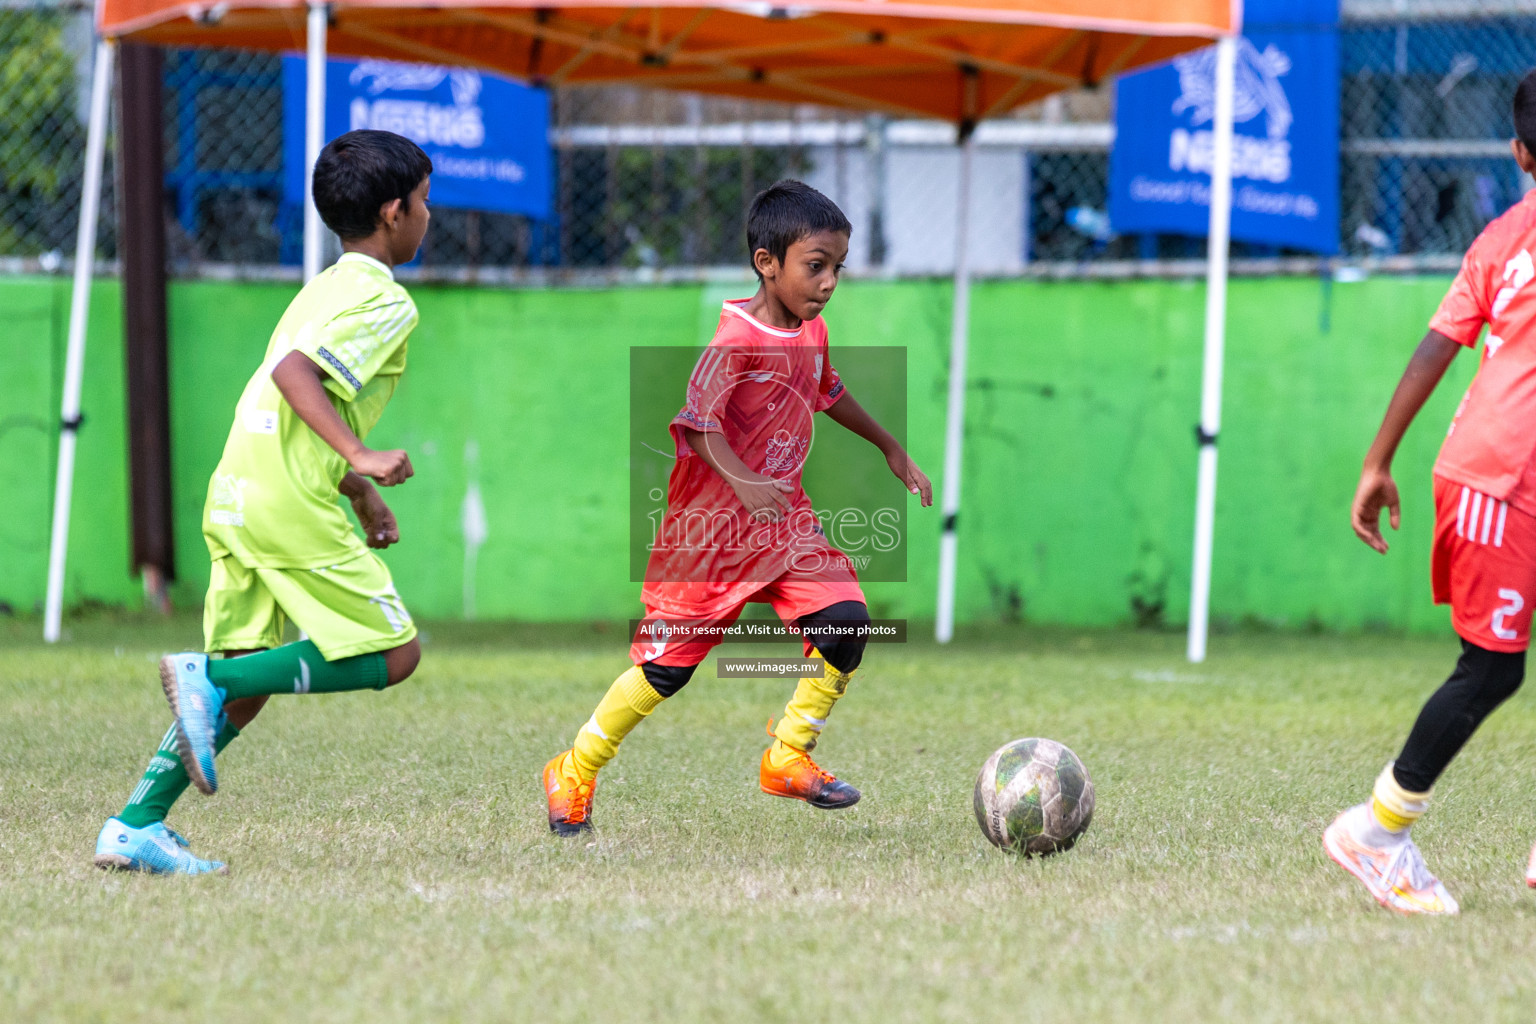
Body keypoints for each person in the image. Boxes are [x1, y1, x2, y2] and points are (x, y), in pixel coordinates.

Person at [542, 179, 933, 834]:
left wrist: (890, 446)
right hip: (710, 536)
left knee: (844, 622)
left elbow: (828, 391)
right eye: (817, 265)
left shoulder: (812, 331)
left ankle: (788, 755)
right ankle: (575, 768)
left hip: (784, 525)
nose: (830, 281)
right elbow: (696, 422)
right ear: (767, 263)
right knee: (664, 673)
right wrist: (743, 478)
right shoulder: (735, 338)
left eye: (838, 266)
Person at [94, 129, 432, 874]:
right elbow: (295, 377)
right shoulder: (385, 300)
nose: (426, 216)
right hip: (284, 500)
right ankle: (205, 676)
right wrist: (360, 456)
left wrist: (359, 492)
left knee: (245, 688)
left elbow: (289, 392)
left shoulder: (321, 287)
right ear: (392, 211)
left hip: (239, 487)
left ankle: (133, 825)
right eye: (425, 201)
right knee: (395, 652)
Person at [1323, 71, 1536, 916]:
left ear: (1519, 153)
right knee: (1490, 671)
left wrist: (1378, 462)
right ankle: (1375, 831)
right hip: (1503, 481)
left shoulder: (1500, 237)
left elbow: (1435, 348)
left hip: (1487, 466)